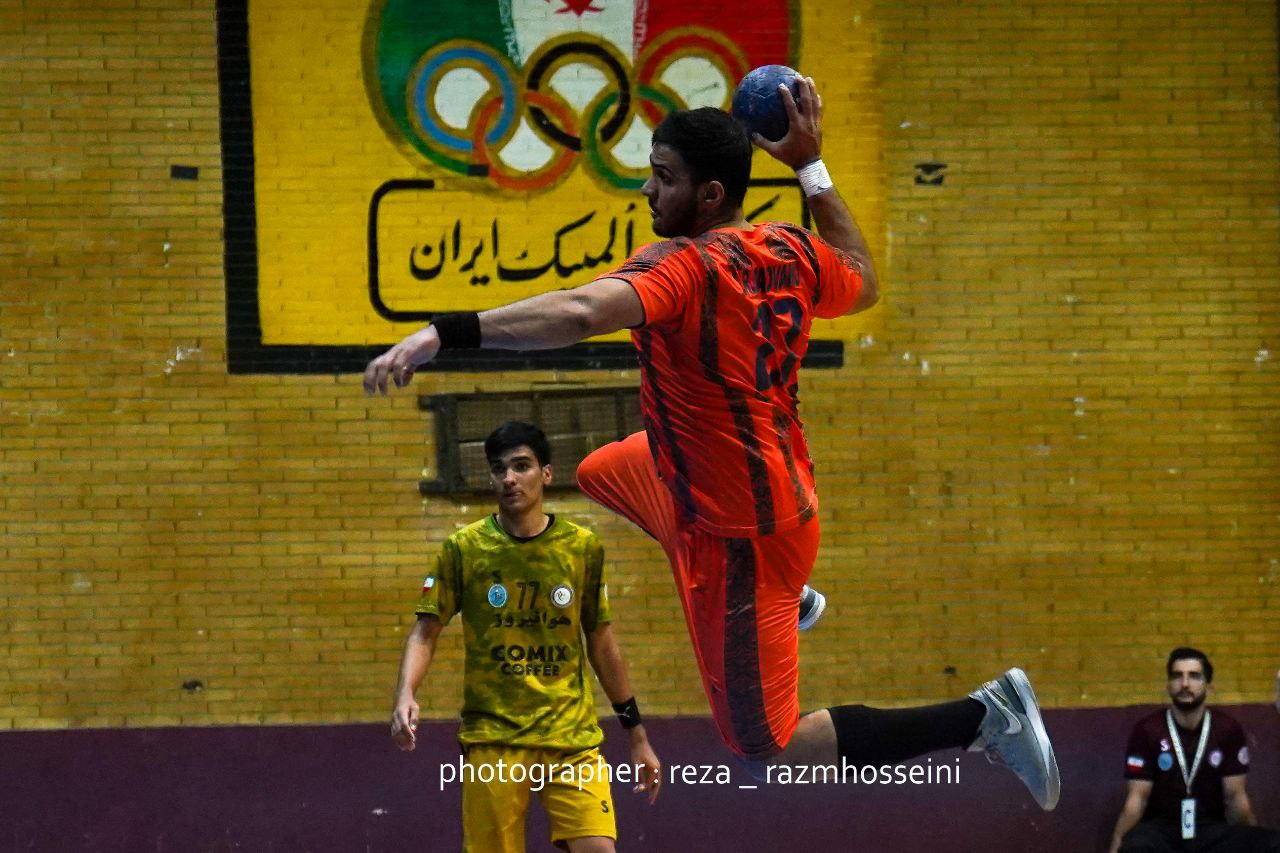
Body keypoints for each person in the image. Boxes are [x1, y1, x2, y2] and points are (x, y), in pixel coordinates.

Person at [367, 77, 1059, 810]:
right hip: (760, 488)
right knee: (602, 469)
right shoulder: (791, 249)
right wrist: (810, 166)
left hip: (740, 540)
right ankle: (789, 598)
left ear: (710, 194)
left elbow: (578, 312)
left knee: (764, 745)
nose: (647, 189)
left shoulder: (684, 270)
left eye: (663, 177)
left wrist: (443, 332)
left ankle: (985, 715)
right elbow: (863, 279)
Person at [389, 421, 661, 853]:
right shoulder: (464, 549)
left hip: (570, 735)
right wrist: (406, 693)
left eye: (521, 466)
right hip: (493, 738)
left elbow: (603, 644)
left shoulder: (581, 548)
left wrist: (637, 734)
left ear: (546, 474)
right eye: (500, 469)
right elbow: (426, 631)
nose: (510, 478)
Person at [1109, 648, 1280, 853]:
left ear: (1209, 687)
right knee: (1135, 846)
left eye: (1194, 676)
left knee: (1273, 843)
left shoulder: (1227, 730)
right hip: (1161, 830)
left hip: (1209, 830)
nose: (1185, 684)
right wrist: (1117, 845)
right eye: (1177, 676)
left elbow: (1235, 798)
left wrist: (1253, 841)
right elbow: (1137, 798)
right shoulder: (1147, 730)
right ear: (1168, 685)